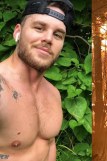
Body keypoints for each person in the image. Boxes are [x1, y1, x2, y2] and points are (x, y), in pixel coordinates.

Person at [0, 0, 74, 160]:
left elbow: (49, 147)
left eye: (58, 35)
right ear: (17, 32)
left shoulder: (53, 94)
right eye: (39, 28)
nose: (48, 39)